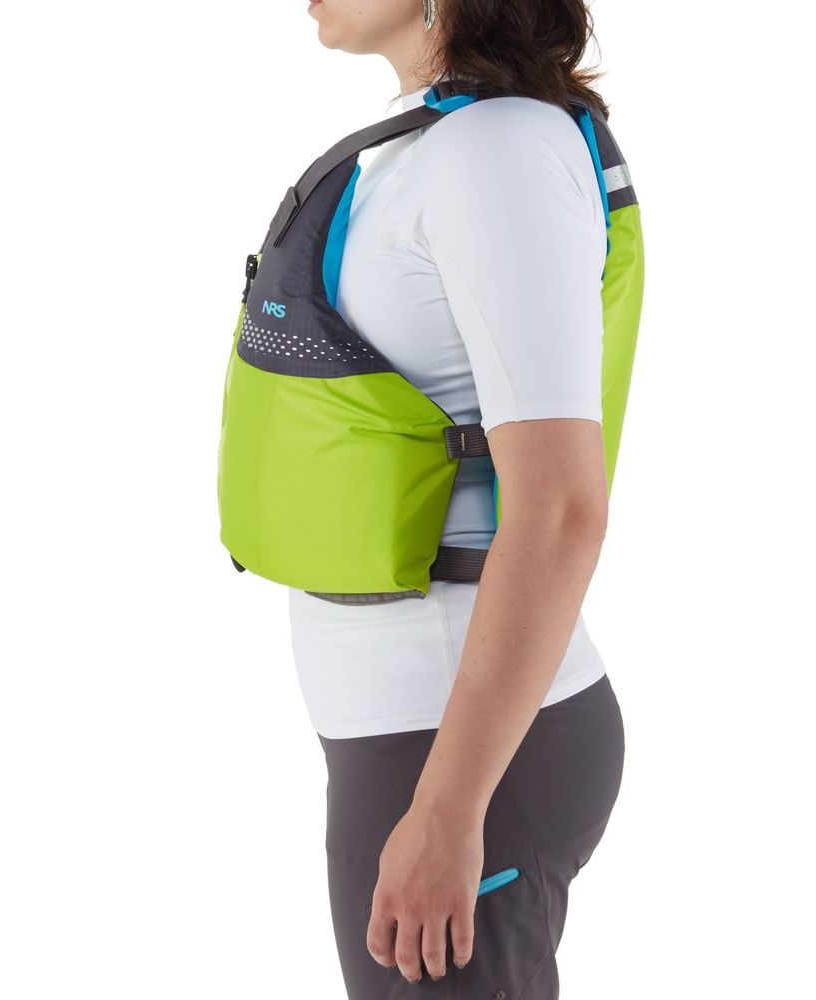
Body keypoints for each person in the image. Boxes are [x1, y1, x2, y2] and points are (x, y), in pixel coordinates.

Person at [291, 1, 628, 995]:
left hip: (458, 748)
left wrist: (447, 808)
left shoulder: (495, 150)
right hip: (415, 737)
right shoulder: (434, 145)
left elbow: (561, 507)